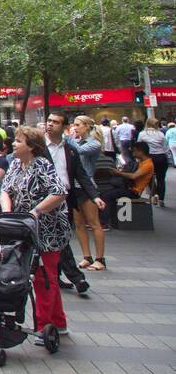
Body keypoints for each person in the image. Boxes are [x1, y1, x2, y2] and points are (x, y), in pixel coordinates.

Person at [1, 126, 71, 344]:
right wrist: (7, 213)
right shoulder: (15, 164)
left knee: (43, 278)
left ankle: (43, 326)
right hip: (23, 228)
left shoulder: (42, 165)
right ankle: (58, 323)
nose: (14, 144)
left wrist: (36, 211)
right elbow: (5, 190)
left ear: (31, 146)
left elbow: (59, 192)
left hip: (47, 231)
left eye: (19, 141)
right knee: (46, 277)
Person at [43, 112, 97, 292]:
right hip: (45, 200)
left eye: (55, 122)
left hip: (65, 199)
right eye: (49, 121)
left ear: (64, 127)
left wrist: (94, 196)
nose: (50, 124)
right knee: (61, 239)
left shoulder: (71, 150)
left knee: (61, 238)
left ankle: (56, 276)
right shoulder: (38, 147)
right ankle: (77, 278)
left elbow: (81, 175)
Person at [67, 116, 109, 273]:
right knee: (79, 224)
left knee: (94, 223)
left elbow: (78, 151)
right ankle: (87, 256)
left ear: (87, 126)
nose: (75, 127)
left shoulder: (94, 144)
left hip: (87, 187)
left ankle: (100, 258)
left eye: (78, 125)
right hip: (75, 187)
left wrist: (68, 138)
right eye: (74, 124)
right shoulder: (76, 141)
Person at [135, 117, 168, 207]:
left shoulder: (142, 134)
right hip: (161, 157)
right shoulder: (161, 134)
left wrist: (138, 159)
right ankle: (161, 199)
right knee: (161, 179)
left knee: (148, 178)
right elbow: (165, 148)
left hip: (149, 158)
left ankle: (154, 194)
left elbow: (138, 146)